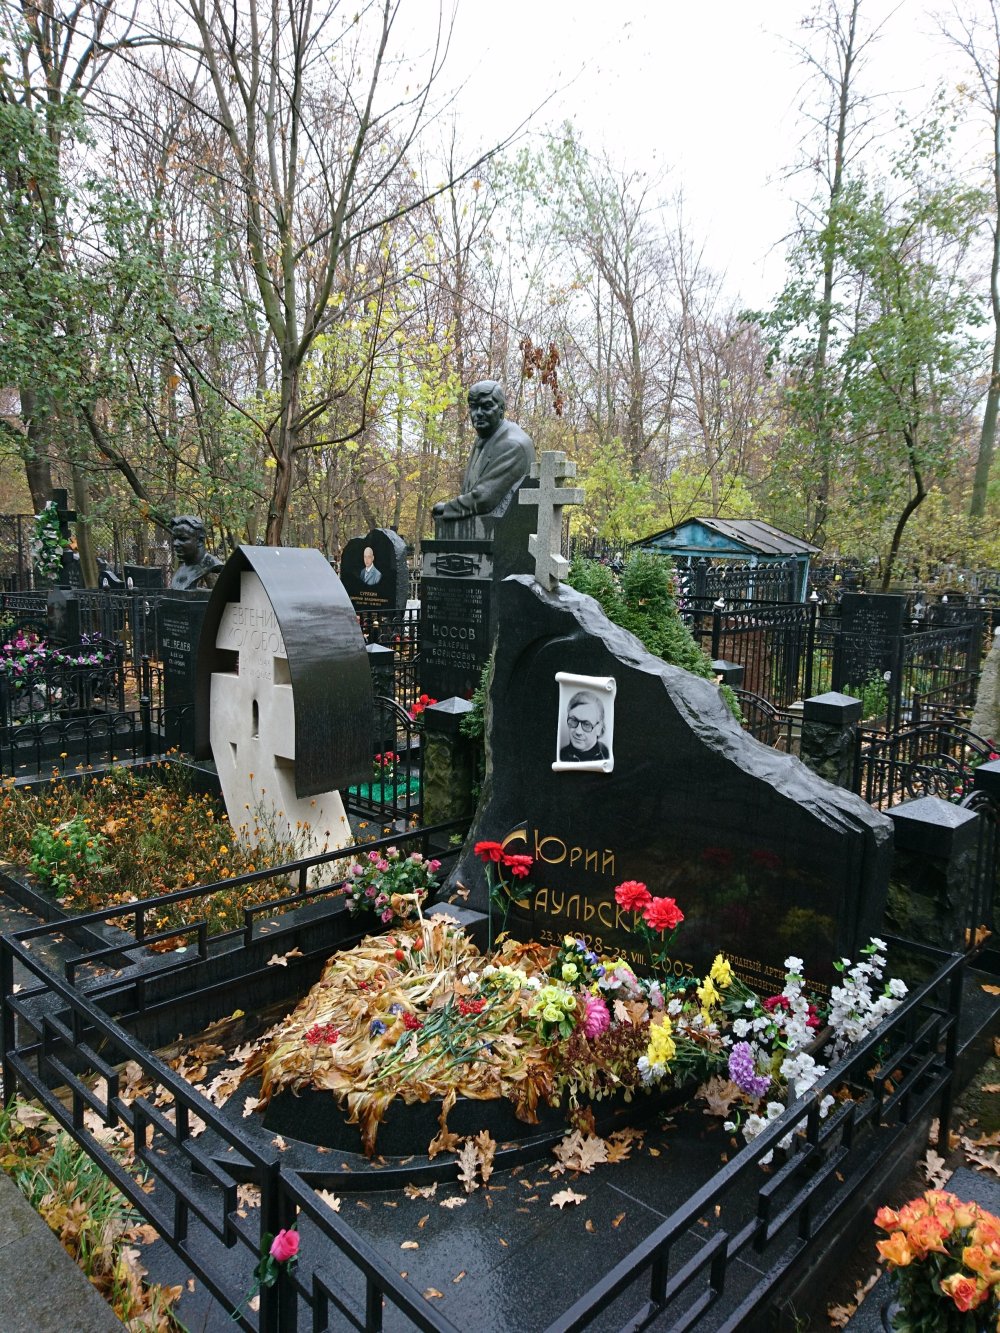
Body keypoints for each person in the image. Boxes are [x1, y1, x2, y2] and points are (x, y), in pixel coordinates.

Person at [432, 381, 535, 528]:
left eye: (486, 406)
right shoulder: (485, 436)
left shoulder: (513, 444)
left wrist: (449, 509)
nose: (478, 413)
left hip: (504, 529)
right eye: (473, 407)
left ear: (501, 409)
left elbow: (485, 498)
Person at [169, 515, 223, 590]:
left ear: (200, 540)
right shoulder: (182, 569)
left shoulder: (212, 564)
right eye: (174, 539)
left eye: (183, 539)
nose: (175, 544)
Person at [559, 690, 610, 763]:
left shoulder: (607, 755)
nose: (578, 731)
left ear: (599, 728)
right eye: (574, 720)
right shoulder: (559, 756)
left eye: (586, 724)